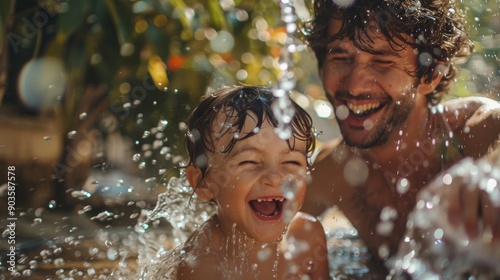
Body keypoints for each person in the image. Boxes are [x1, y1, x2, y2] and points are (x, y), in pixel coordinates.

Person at [300, 0, 500, 269]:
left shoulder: (483, 134)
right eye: (340, 57)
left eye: (381, 61)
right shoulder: (333, 173)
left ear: (430, 74)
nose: (355, 85)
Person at [141, 85, 330, 279]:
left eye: (291, 162)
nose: (275, 178)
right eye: (249, 161)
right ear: (204, 183)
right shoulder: (200, 266)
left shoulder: (308, 236)